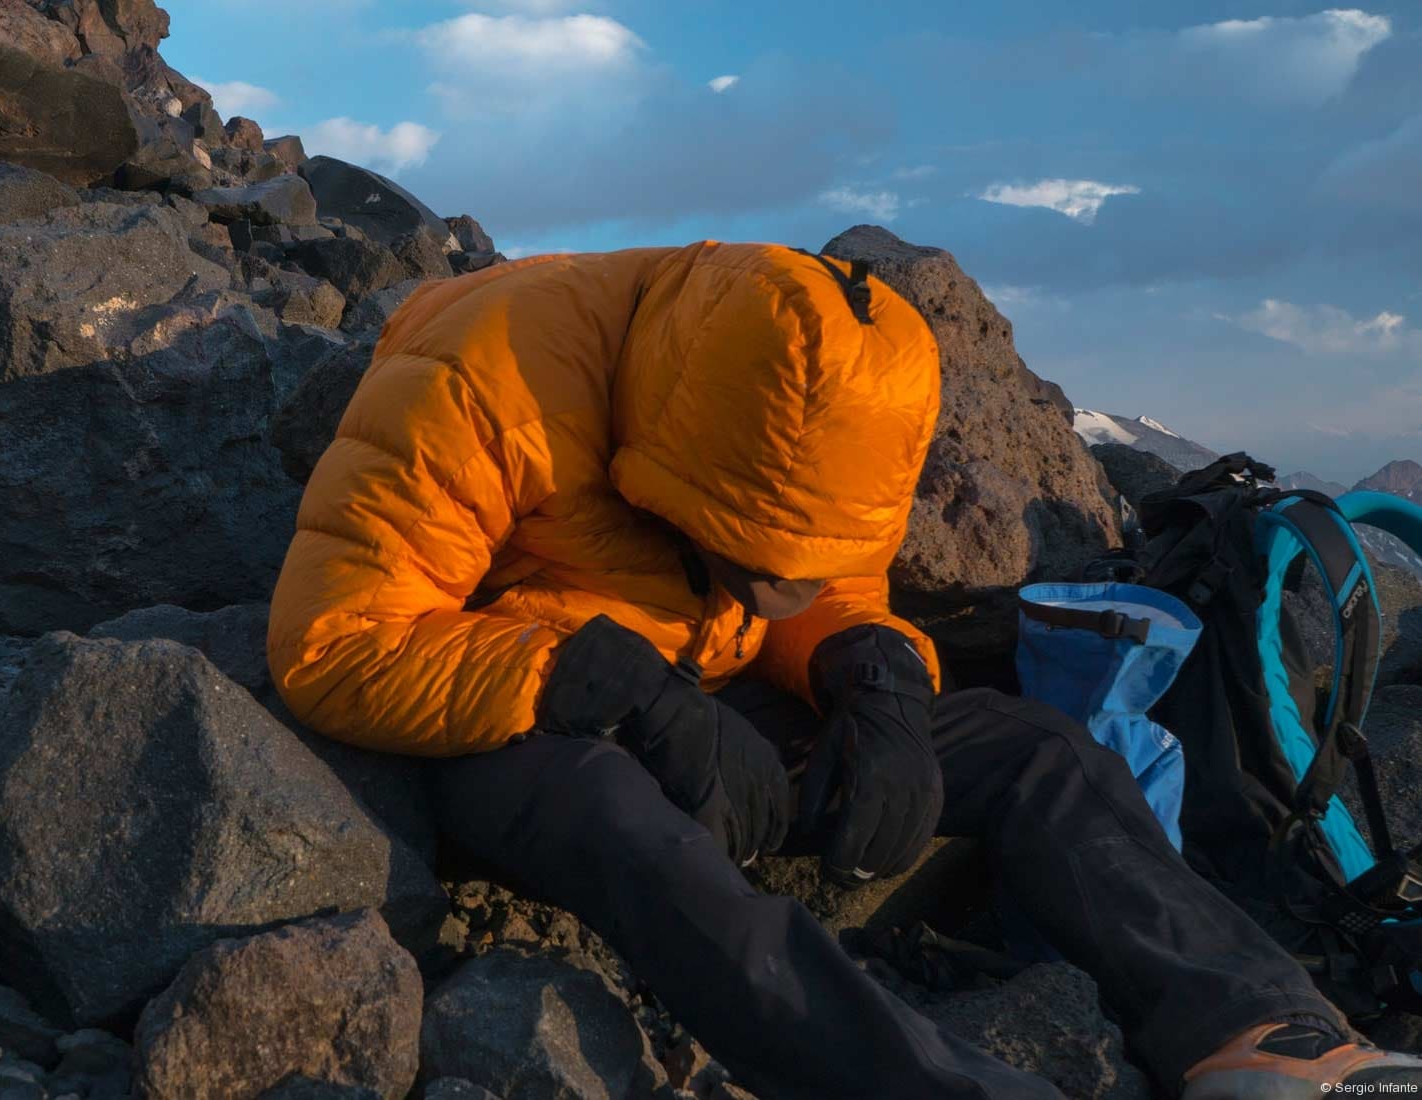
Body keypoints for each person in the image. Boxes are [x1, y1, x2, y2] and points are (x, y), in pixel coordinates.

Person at [266, 242, 1422, 1098]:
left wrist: (871, 672)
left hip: (696, 701)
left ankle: (1266, 1033)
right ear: (671, 456)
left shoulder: (828, 395)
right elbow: (334, 642)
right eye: (763, 561)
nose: (785, 587)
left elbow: (829, 582)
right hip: (518, 712)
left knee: (1039, 749)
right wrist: (613, 682)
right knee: (632, 829)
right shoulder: (483, 378)